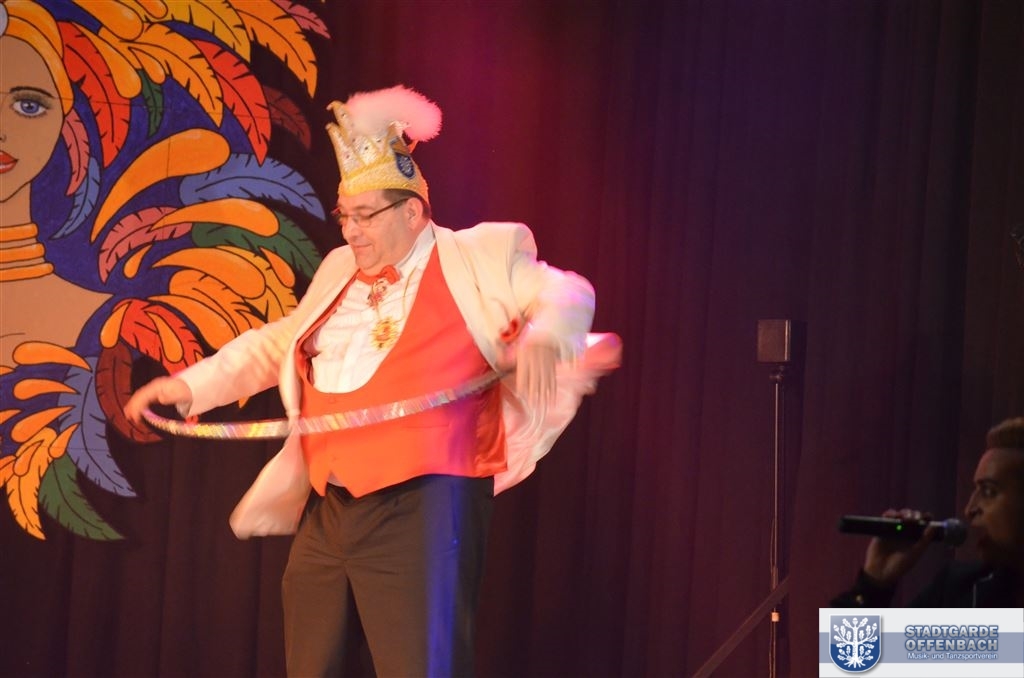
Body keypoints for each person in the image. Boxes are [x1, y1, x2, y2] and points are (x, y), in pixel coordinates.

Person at [124, 85, 619, 676]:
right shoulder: (340, 269)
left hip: (425, 506)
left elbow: (566, 291)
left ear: (412, 211)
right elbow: (282, 341)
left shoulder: (479, 254)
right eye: (345, 216)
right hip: (330, 508)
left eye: (365, 216)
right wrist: (191, 386)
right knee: (310, 666)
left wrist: (544, 338)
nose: (351, 232)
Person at [831, 416, 1024, 608]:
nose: (969, 510)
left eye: (989, 491)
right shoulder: (959, 590)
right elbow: (850, 632)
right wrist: (874, 583)